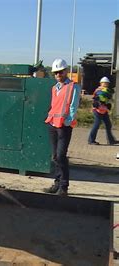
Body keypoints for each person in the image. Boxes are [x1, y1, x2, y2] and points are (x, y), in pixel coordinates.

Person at [43, 59, 81, 196]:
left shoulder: (73, 86)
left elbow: (73, 106)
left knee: (61, 155)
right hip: (53, 124)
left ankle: (64, 187)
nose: (58, 74)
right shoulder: (54, 88)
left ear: (66, 71)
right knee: (55, 157)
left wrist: (68, 121)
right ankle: (57, 183)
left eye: (60, 71)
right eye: (56, 72)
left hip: (64, 126)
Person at [88, 76, 117, 145]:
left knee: (108, 125)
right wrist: (108, 94)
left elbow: (108, 97)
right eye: (104, 83)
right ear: (101, 83)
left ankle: (111, 140)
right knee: (96, 125)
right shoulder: (99, 90)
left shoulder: (106, 90)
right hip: (97, 110)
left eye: (107, 83)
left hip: (104, 110)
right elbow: (101, 97)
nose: (106, 84)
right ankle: (91, 140)